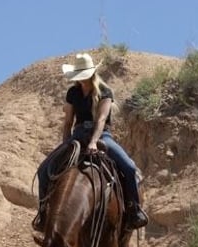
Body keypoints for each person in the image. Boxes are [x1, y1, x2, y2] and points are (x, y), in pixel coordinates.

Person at [33, 52, 149, 232]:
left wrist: (94, 142)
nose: (81, 80)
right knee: (43, 170)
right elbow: (68, 122)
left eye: (83, 76)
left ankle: (134, 209)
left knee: (129, 168)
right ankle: (43, 214)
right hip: (78, 135)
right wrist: (66, 144)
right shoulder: (73, 93)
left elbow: (101, 120)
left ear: (91, 73)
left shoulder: (104, 91)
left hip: (102, 136)